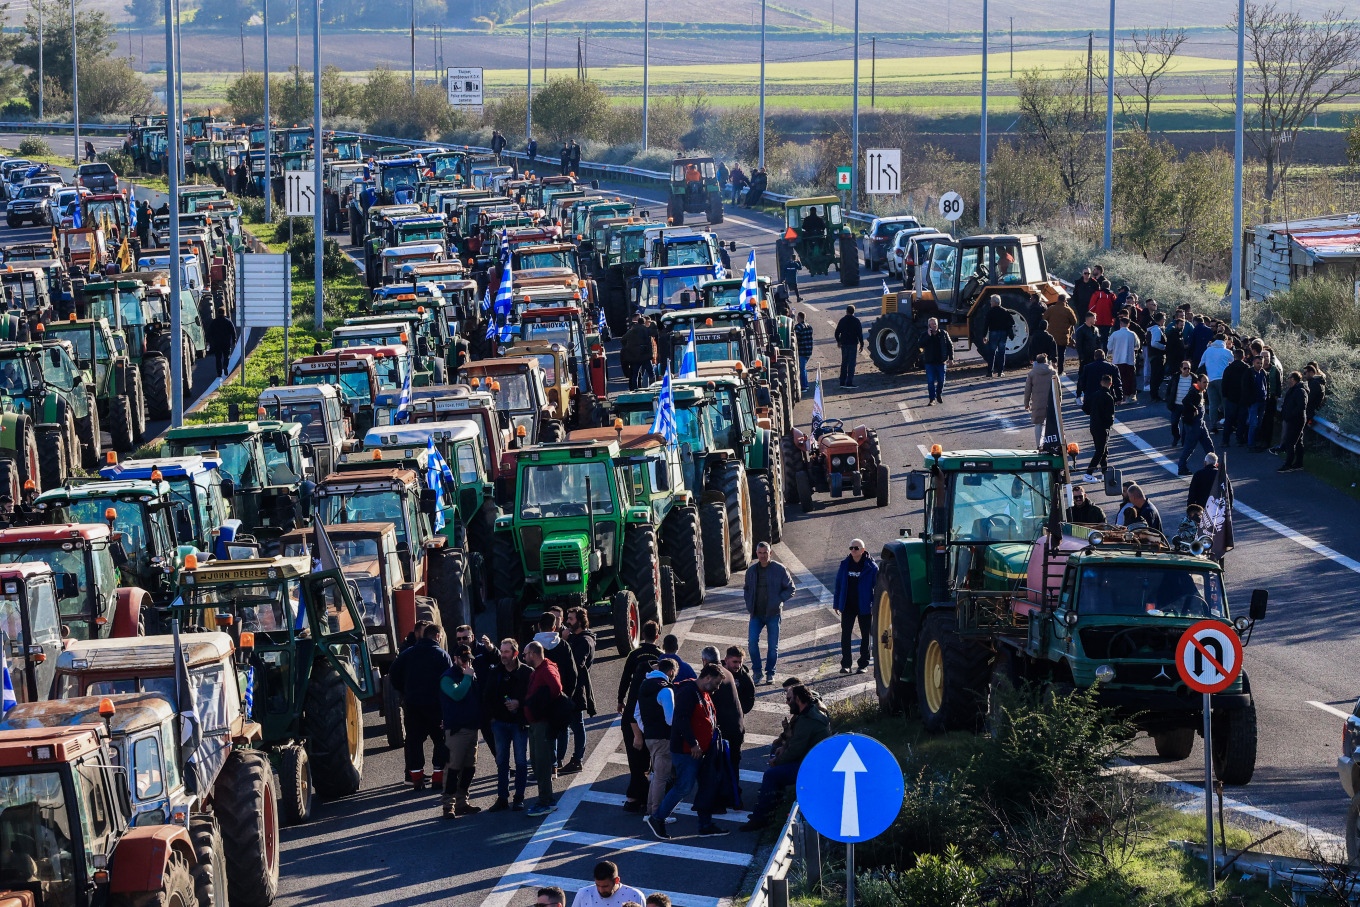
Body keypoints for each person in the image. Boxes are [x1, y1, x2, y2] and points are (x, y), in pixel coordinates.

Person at [644, 664, 726, 839]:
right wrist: (693, 743)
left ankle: (705, 824)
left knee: (706, 785)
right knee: (684, 786)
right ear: (708, 678)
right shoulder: (689, 692)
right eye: (717, 683)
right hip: (687, 751)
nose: (718, 688)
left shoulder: (703, 692)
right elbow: (680, 719)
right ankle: (657, 818)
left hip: (700, 750)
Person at [741, 684, 830, 830]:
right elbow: (797, 743)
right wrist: (783, 748)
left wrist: (777, 761)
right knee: (776, 765)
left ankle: (761, 817)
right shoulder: (808, 714)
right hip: (809, 761)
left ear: (799, 699)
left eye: (789, 699)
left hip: (812, 767)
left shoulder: (808, 720)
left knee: (771, 775)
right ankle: (770, 809)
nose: (787, 702)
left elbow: (796, 750)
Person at [389, 623, 452, 790]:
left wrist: (405, 691)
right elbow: (449, 681)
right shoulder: (442, 655)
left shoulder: (407, 654)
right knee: (440, 740)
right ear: (437, 636)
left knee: (414, 741)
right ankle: (438, 778)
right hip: (436, 707)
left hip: (413, 706)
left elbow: (393, 675)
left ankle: (416, 780)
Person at [617, 621, 664, 812]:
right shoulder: (661, 657)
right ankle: (642, 797)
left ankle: (635, 797)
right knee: (646, 760)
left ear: (643, 634)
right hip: (651, 718)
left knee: (635, 760)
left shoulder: (634, 654)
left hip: (633, 720)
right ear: (657, 635)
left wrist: (620, 699)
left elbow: (625, 677)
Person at [483, 638, 532, 811]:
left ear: (515, 653)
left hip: (519, 724)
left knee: (520, 761)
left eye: (506, 652)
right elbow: (487, 696)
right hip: (500, 723)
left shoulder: (527, 672)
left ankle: (519, 797)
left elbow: (534, 697)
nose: (503, 655)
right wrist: (492, 718)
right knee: (502, 761)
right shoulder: (496, 672)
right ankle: (502, 797)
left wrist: (519, 703)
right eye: (502, 651)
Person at [439, 643, 483, 818]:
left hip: (472, 728)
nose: (467, 664)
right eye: (464, 660)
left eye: (469, 660)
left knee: (469, 769)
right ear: (455, 659)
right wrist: (467, 677)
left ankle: (462, 802)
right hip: (456, 730)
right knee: (452, 770)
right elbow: (457, 695)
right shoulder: (447, 677)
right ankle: (448, 805)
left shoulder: (470, 675)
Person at [532, 612, 579, 775]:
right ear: (554, 627)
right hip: (561, 694)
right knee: (562, 729)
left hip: (539, 697)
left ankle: (550, 761)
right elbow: (573, 673)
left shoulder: (533, 646)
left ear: (539, 626)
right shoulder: (563, 645)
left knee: (545, 731)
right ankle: (559, 760)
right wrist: (567, 695)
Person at [743, 542, 796, 685]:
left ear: (770, 553)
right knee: (752, 643)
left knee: (773, 647)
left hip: (773, 614)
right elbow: (746, 589)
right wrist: (749, 604)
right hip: (756, 614)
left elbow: (791, 588)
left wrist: (778, 600)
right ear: (756, 553)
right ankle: (757, 671)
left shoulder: (779, 569)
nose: (763, 556)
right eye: (760, 553)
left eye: (765, 553)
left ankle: (770, 673)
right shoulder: (752, 571)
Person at [522, 640, 562, 817]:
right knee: (538, 763)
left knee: (542, 764)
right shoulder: (540, 669)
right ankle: (548, 799)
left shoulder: (546, 669)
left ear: (533, 654)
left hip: (542, 723)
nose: (524, 658)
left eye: (525, 654)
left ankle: (545, 801)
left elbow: (557, 688)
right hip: (536, 722)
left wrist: (544, 705)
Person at [634, 658, 677, 818]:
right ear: (671, 672)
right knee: (661, 777)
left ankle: (650, 810)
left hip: (650, 738)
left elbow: (636, 713)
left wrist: (647, 730)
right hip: (664, 738)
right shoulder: (666, 690)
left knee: (656, 776)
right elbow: (671, 720)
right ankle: (656, 813)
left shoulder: (644, 685)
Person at [834, 540, 877, 674]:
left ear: (863, 550)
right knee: (845, 635)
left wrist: (874, 605)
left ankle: (863, 664)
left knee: (865, 636)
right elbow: (838, 585)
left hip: (864, 607)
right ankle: (846, 664)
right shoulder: (845, 564)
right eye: (851, 547)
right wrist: (836, 604)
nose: (853, 550)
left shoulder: (872, 567)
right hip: (848, 606)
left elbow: (879, 588)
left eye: (856, 548)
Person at [562, 606, 596, 773]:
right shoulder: (579, 638)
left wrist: (565, 642)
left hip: (576, 690)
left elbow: (576, 664)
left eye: (571, 619)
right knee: (572, 724)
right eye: (568, 618)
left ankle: (577, 759)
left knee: (576, 724)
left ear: (581, 621)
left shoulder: (583, 640)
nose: (568, 622)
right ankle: (565, 758)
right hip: (573, 688)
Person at [1083, 374, 1116, 482]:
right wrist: (1109, 425)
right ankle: (1089, 473)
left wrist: (1094, 413)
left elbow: (1085, 408)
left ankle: (1104, 472)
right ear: (1110, 384)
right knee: (1100, 451)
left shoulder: (1094, 395)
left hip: (1094, 425)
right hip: (1103, 427)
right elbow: (1110, 415)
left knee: (1103, 450)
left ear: (1101, 382)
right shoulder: (1108, 397)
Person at [1177, 382, 1215, 476]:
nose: (1206, 384)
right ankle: (1181, 467)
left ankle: (1212, 465)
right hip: (1193, 425)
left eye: (1207, 382)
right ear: (1198, 382)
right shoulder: (1193, 392)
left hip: (1201, 424)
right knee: (1189, 448)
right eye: (1204, 382)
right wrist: (1194, 409)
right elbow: (1185, 401)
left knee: (1208, 445)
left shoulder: (1201, 391)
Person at [571, 862, 645, 907]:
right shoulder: (583, 894)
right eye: (597, 885)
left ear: (617, 880)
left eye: (605, 886)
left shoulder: (635, 896)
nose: (601, 890)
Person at [1201, 334, 1234, 432]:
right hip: (1223, 380)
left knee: (1213, 404)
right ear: (1225, 340)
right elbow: (1233, 362)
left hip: (1210, 380)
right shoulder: (1227, 352)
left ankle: (1213, 425)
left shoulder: (1208, 351)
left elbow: (1201, 364)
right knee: (1225, 403)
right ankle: (1228, 424)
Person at [1023, 354, 1056, 449]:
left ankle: (1039, 445)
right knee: (1051, 423)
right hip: (1051, 401)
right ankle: (1051, 444)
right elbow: (1058, 388)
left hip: (1037, 402)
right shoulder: (1053, 372)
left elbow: (1027, 390)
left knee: (1038, 423)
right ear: (1046, 361)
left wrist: (1026, 403)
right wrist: (1059, 401)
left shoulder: (1032, 373)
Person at [1278, 370, 1308, 473]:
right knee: (1298, 442)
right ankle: (1298, 464)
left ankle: (1288, 465)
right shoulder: (1293, 389)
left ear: (1293, 379)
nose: (1287, 380)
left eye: (1289, 378)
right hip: (1293, 419)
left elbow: (1302, 406)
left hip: (1296, 420)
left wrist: (1290, 415)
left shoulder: (1300, 390)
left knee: (1290, 442)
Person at [1106, 317, 1140, 404]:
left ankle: (1118, 397)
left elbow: (1109, 347)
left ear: (1120, 324)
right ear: (1128, 324)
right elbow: (1137, 346)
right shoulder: (1132, 334)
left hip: (1117, 359)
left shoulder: (1115, 334)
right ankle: (1127, 396)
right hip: (1130, 360)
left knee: (1117, 379)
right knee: (1128, 379)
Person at [919, 317, 952, 405]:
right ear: (929, 325)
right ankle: (932, 399)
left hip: (941, 362)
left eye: (935, 324)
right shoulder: (924, 334)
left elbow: (950, 345)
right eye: (932, 324)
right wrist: (928, 336)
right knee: (930, 381)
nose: (934, 325)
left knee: (941, 380)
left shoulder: (944, 334)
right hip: (930, 363)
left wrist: (951, 358)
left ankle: (938, 394)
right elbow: (920, 344)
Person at [620, 316, 656, 391]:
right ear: (643, 322)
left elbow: (623, 339)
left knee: (635, 375)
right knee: (651, 373)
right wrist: (652, 323)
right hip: (645, 356)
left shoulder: (632, 330)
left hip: (634, 356)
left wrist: (628, 347)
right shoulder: (646, 330)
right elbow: (655, 332)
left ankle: (635, 389)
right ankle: (654, 388)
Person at [983, 294, 1013, 378]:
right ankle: (1000, 372)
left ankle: (990, 372)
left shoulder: (990, 312)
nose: (990, 303)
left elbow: (986, 324)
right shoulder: (1005, 311)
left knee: (991, 353)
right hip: (1003, 334)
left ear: (995, 302)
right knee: (1001, 352)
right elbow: (1012, 322)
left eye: (991, 301)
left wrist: (984, 335)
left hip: (993, 333)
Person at [834, 305, 863, 388]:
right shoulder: (856, 321)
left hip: (844, 344)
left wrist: (839, 341)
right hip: (853, 344)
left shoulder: (842, 320)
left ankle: (842, 382)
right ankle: (849, 382)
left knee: (844, 363)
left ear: (846, 311)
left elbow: (836, 333)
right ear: (853, 311)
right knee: (851, 364)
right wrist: (862, 344)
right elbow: (860, 334)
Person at [1045, 298, 1078, 374]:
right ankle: (1060, 371)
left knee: (1051, 354)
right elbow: (1074, 321)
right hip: (1063, 336)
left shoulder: (1051, 309)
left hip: (1052, 336)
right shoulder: (1068, 310)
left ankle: (1050, 370)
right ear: (1065, 301)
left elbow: (1044, 318)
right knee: (1061, 354)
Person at [1168, 360, 1196, 446]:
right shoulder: (1175, 377)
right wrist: (1169, 401)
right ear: (1181, 369)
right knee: (1174, 423)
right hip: (1176, 404)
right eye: (1185, 368)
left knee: (1186, 425)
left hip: (1187, 406)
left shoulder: (1194, 378)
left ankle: (1184, 442)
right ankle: (1176, 437)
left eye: (1189, 368)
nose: (1187, 370)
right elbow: (1169, 390)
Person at [776, 230, 802, 303]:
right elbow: (800, 268)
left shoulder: (787, 264)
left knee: (787, 287)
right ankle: (798, 297)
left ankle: (787, 298)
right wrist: (799, 262)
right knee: (795, 288)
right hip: (793, 278)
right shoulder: (795, 264)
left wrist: (782, 278)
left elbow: (783, 270)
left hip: (787, 278)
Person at [209, 307, 236, 378]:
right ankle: (225, 365)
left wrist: (208, 341)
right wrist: (234, 341)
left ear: (218, 313)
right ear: (224, 313)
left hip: (217, 343)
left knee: (218, 358)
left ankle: (219, 373)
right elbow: (233, 332)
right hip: (226, 342)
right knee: (226, 356)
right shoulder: (228, 321)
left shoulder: (214, 322)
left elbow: (209, 332)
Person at [1088, 278, 1116, 342]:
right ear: (1109, 286)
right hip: (1108, 321)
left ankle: (1096, 351)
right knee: (1106, 339)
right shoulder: (1112, 295)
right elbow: (1115, 308)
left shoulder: (1096, 294)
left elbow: (1091, 307)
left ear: (1101, 286)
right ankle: (1105, 351)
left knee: (1096, 338)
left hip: (1097, 320)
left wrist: (1090, 317)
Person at [793, 311, 814, 394]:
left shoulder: (798, 327)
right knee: (803, 368)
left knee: (802, 369)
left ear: (799, 318)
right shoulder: (809, 326)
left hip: (802, 351)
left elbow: (796, 340)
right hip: (808, 351)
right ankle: (806, 384)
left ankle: (804, 386)